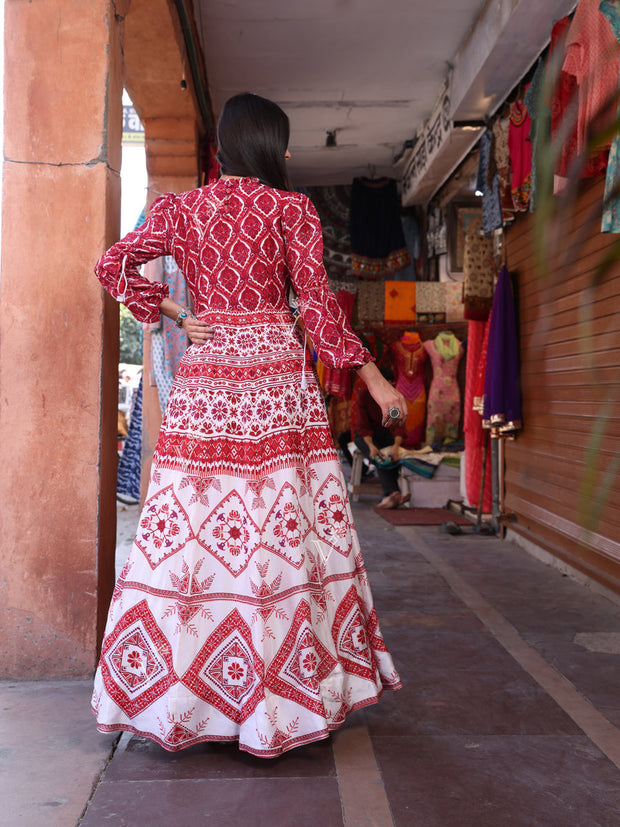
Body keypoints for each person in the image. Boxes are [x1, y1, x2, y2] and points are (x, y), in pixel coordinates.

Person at [92, 93, 406, 758]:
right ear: (272, 147)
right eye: (285, 145)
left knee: (194, 539)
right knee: (276, 537)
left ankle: (188, 700)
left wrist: (173, 312)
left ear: (222, 148)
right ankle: (278, 703)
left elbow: (110, 265)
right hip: (275, 383)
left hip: (206, 384)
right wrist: (372, 375)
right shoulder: (291, 209)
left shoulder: (180, 208)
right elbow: (318, 309)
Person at [351, 367, 410, 509]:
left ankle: (393, 494)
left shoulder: (394, 399)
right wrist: (371, 447)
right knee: (378, 457)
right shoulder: (364, 397)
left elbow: (398, 427)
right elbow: (363, 426)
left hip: (383, 432)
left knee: (392, 456)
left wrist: (395, 447)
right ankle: (391, 494)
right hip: (364, 436)